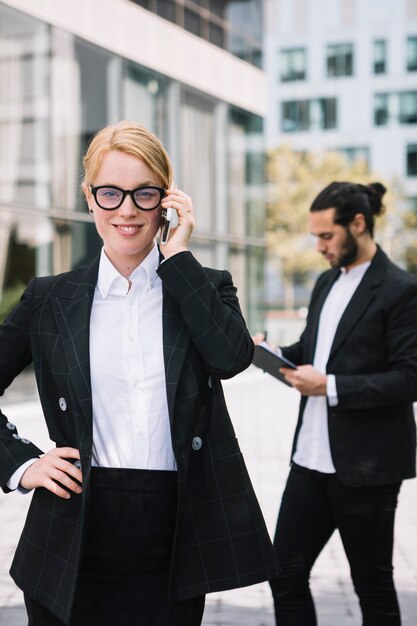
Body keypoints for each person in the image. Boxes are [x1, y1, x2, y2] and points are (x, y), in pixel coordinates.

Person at [0, 120, 278, 626]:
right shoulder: (49, 299)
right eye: (110, 193)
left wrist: (180, 256)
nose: (126, 210)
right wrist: (22, 465)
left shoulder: (203, 286)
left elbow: (231, 357)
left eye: (144, 194)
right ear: (89, 198)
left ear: (166, 200)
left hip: (171, 538)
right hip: (71, 533)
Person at [255, 181, 417, 626]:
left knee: (373, 589)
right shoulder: (326, 283)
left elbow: (409, 378)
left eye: (326, 236)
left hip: (366, 469)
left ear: (358, 224)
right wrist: (270, 354)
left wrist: (330, 386)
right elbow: (313, 348)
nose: (319, 246)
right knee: (284, 574)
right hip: (309, 460)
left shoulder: (401, 290)